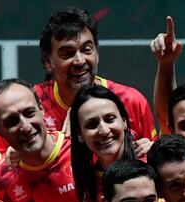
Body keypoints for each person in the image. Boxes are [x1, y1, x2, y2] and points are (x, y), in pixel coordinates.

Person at [36, 7, 157, 141]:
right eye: (67, 54)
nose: (80, 61)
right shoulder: (32, 106)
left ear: (96, 52)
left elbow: (154, 159)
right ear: (48, 61)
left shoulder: (131, 101)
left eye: (86, 50)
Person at [70, 84, 148, 202]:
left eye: (110, 119)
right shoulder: (85, 184)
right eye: (92, 124)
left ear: (124, 121)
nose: (104, 130)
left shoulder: (151, 165)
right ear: (80, 134)